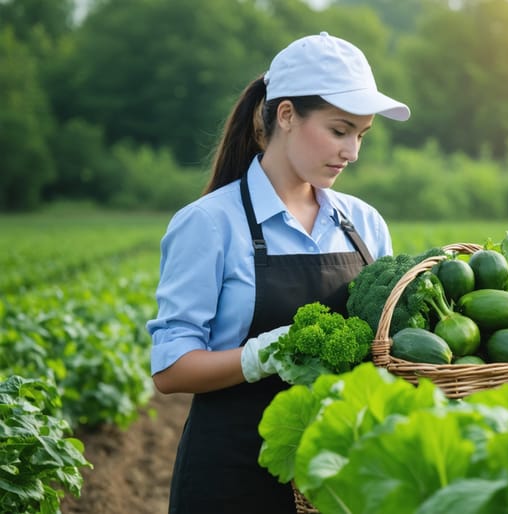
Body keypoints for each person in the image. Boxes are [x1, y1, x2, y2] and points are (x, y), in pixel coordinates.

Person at [146, 32, 410, 513]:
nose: (352, 151)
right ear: (286, 115)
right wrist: (258, 356)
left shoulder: (364, 223)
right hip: (230, 477)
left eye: (361, 135)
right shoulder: (210, 224)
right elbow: (169, 369)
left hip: (335, 476)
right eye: (339, 130)